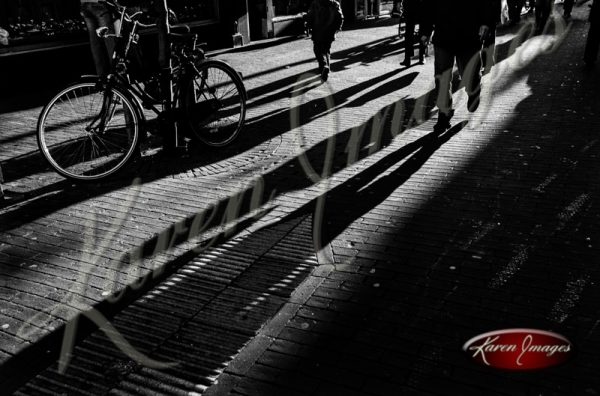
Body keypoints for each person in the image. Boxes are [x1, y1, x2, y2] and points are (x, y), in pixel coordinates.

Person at [421, 0, 497, 132]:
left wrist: (486, 22)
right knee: (441, 77)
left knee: (471, 73)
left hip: (469, 34)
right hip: (443, 34)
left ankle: (474, 90)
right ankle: (444, 113)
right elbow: (428, 5)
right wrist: (425, 31)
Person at [305, 0, 344, 81]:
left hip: (318, 31)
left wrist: (308, 25)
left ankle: (324, 66)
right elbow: (340, 17)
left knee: (317, 50)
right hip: (330, 32)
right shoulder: (335, 4)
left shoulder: (316, 3)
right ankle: (326, 71)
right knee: (326, 50)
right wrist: (337, 28)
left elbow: (310, 16)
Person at [80, 0, 117, 77]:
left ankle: (102, 79)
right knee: (110, 43)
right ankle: (117, 78)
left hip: (84, 4)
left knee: (96, 45)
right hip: (98, 3)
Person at [401, 0, 427, 66]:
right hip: (419, 7)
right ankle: (421, 56)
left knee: (409, 34)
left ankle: (408, 58)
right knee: (421, 32)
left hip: (414, 7)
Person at [585, 0, 600, 66]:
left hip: (596, 13)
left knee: (593, 37)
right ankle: (590, 58)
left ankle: (589, 58)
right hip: (596, 13)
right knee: (593, 36)